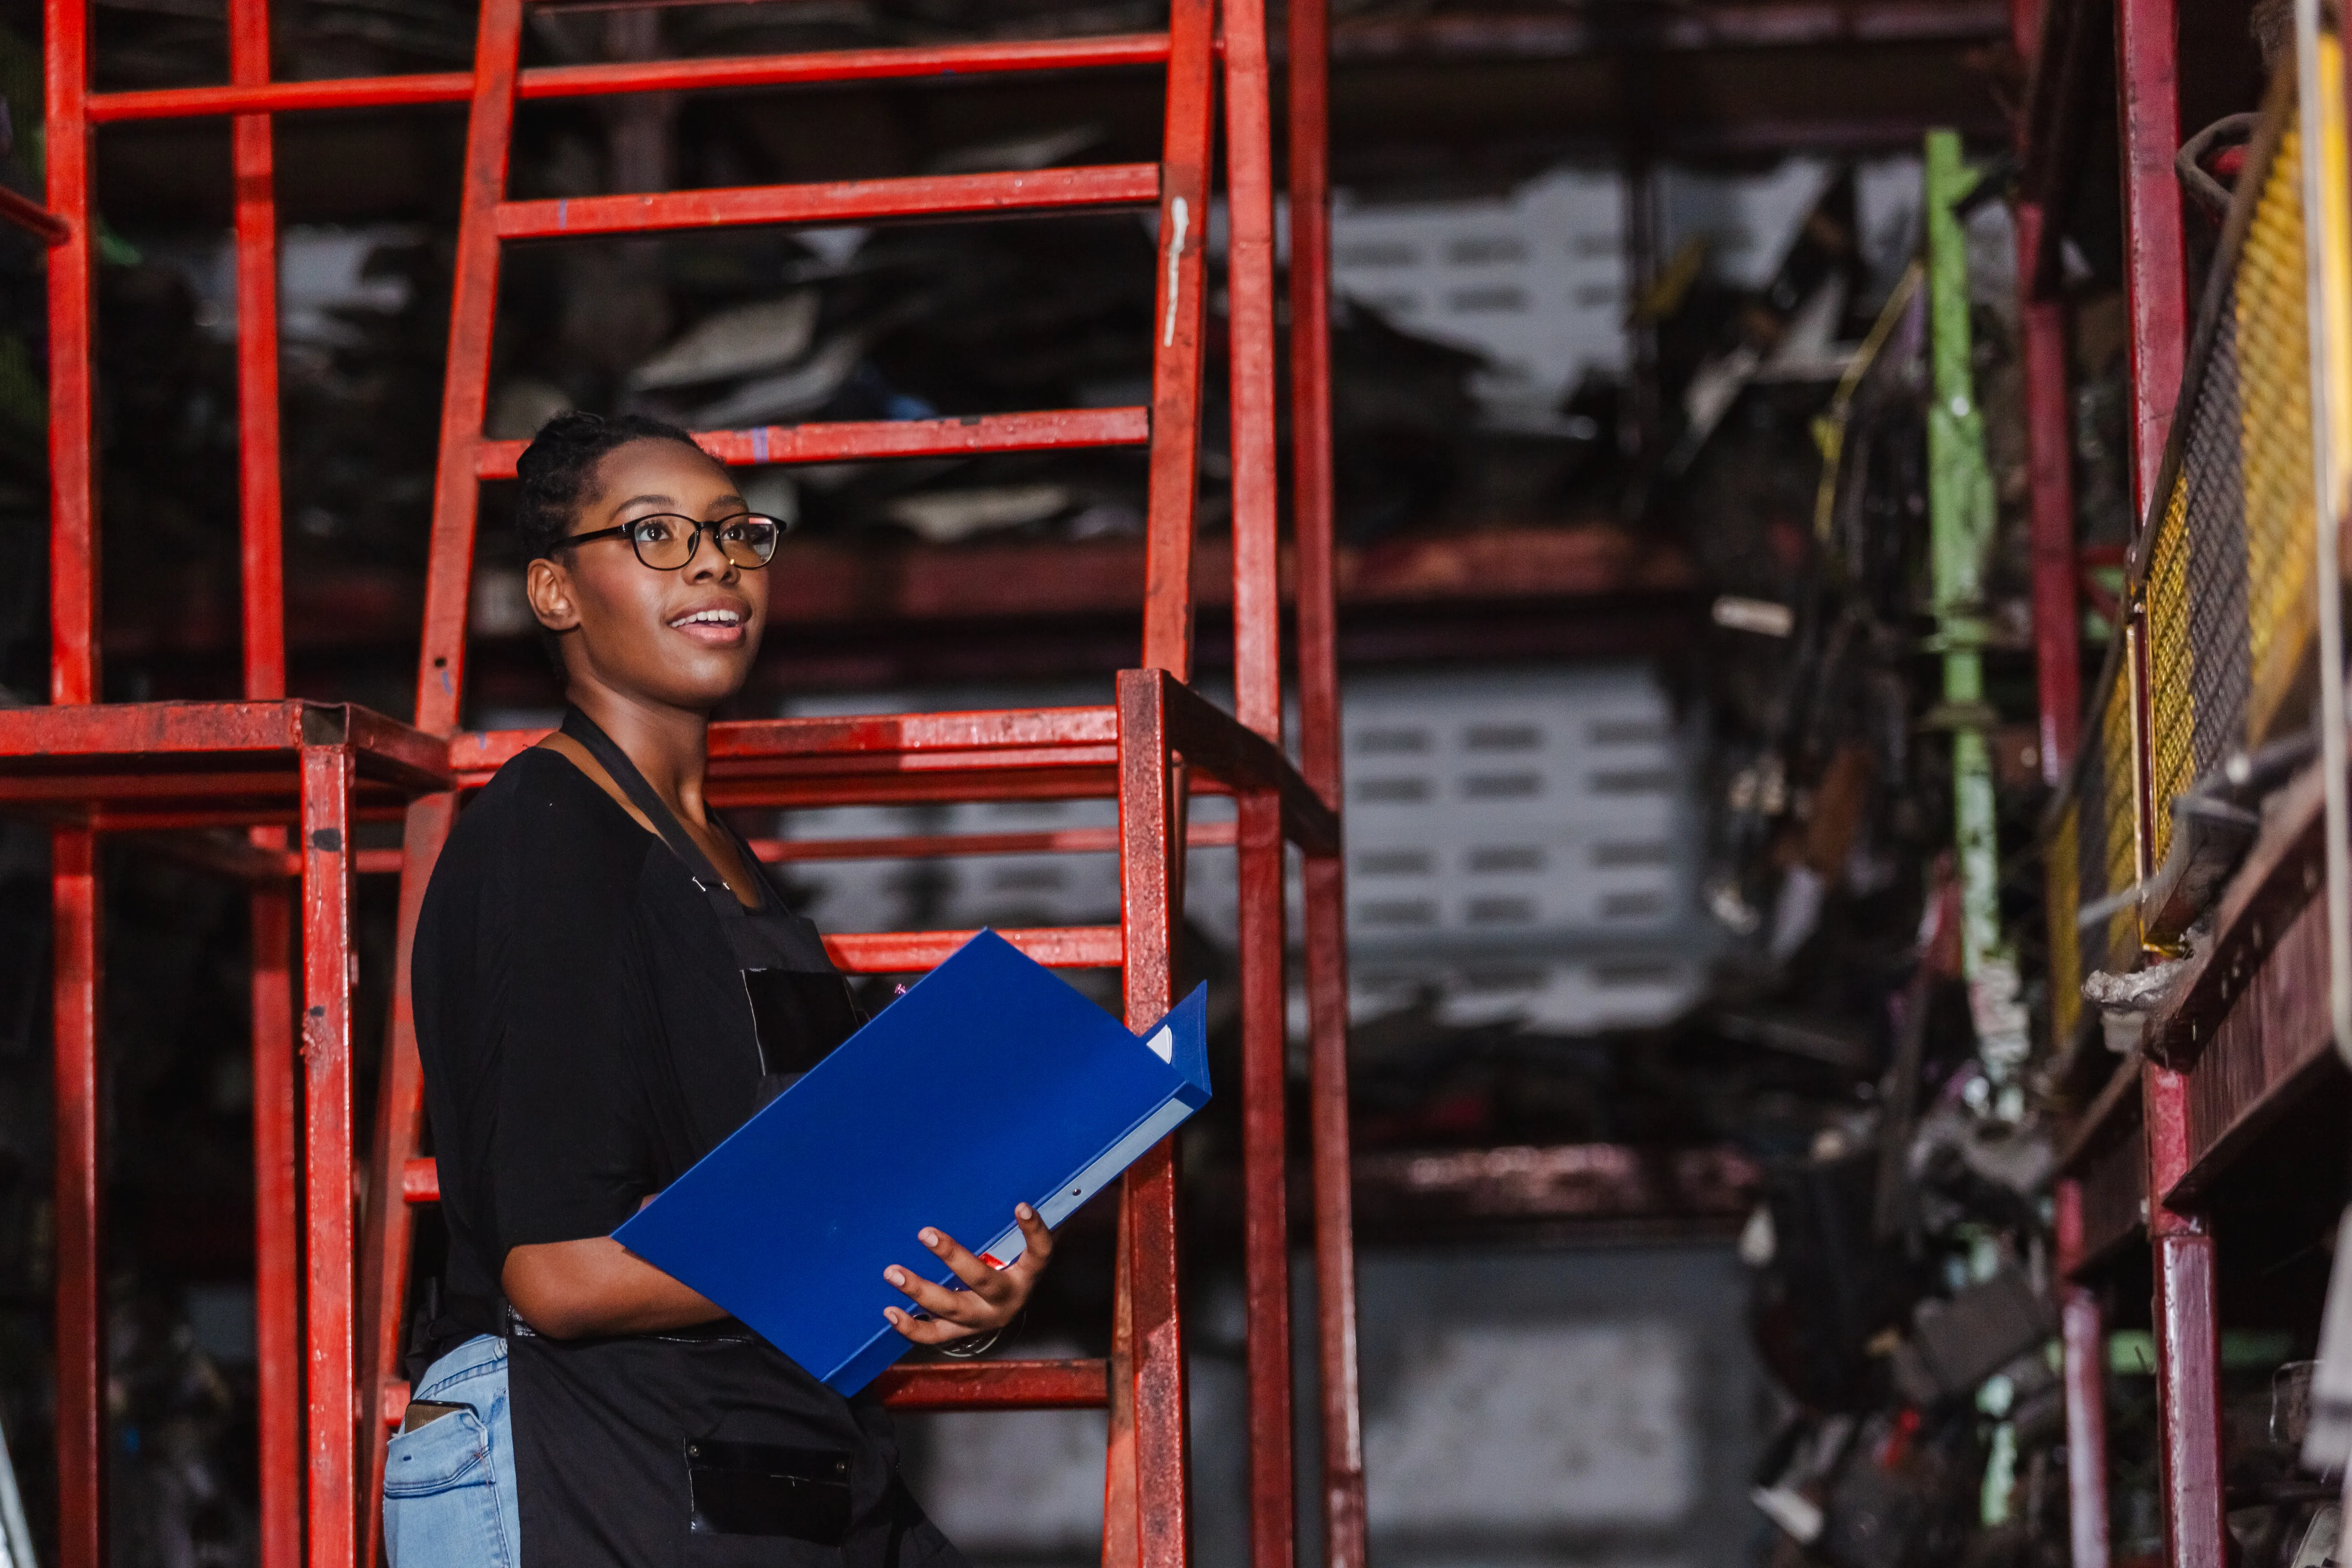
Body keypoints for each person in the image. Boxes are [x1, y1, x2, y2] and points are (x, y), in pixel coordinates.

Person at [384, 411, 1052, 1567]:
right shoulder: (547, 841)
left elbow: (802, 1188)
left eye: (738, 535)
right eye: (654, 533)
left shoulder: (731, 870)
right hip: (585, 1458)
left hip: (753, 1454)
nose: (714, 562)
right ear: (554, 593)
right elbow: (557, 1274)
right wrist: (862, 1241)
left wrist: (951, 1284)